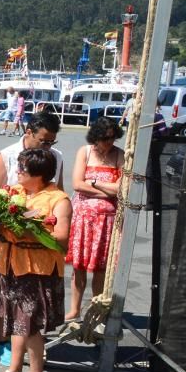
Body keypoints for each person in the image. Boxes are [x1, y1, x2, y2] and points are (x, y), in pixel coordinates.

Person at [0, 148, 72, 372]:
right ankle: (14, 370)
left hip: (37, 268)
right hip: (8, 262)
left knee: (31, 324)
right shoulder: (14, 193)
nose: (18, 171)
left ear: (40, 174)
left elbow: (61, 239)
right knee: (13, 317)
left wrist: (27, 229)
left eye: (23, 168)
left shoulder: (58, 199)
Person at [66, 117, 125, 322]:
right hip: (83, 219)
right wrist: (106, 191)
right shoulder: (85, 152)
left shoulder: (120, 155)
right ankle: (74, 309)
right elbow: (77, 184)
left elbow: (121, 189)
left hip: (107, 222)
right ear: (96, 137)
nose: (109, 141)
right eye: (105, 138)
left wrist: (93, 184)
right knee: (79, 267)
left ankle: (94, 311)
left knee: (100, 270)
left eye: (112, 137)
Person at [0, 111, 65, 191]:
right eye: (44, 142)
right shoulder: (6, 156)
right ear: (28, 132)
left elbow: (59, 189)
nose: (48, 147)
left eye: (52, 142)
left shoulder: (57, 156)